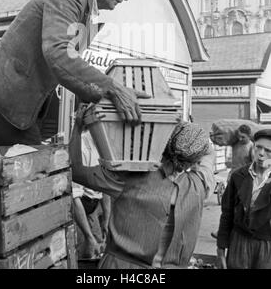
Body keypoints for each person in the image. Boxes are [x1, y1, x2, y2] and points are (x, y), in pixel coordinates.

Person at [0, 0, 148, 146]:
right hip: (5, 92)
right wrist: (113, 88)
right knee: (31, 168)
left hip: (10, 94)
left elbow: (69, 64)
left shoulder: (84, 9)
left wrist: (98, 95)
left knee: (9, 167)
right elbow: (58, 54)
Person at [70, 108, 215, 269]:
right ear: (194, 161)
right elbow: (209, 153)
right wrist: (197, 140)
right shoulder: (200, 186)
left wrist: (77, 127)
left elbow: (76, 171)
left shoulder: (130, 175)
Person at [216, 128, 271, 269]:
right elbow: (227, 213)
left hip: (267, 246)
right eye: (258, 147)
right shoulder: (238, 176)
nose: (261, 154)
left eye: (268, 150)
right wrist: (221, 249)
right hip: (239, 243)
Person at [211, 123, 254, 239]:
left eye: (243, 137)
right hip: (232, 177)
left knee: (240, 207)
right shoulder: (235, 143)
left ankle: (238, 231)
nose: (240, 139)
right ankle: (222, 230)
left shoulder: (251, 147)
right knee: (227, 205)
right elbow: (222, 140)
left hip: (244, 180)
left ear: (249, 136)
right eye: (239, 136)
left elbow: (254, 166)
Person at [72, 129, 110, 259]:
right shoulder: (81, 147)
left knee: (98, 251)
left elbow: (106, 185)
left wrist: (107, 218)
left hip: (93, 207)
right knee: (81, 255)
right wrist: (89, 236)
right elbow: (74, 198)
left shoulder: (107, 146)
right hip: (78, 209)